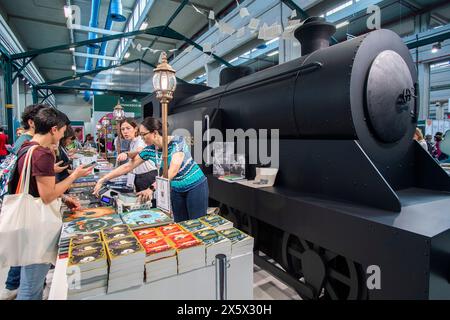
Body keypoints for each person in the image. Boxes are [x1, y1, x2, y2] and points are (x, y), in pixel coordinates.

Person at [9, 107, 93, 300]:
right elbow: (47, 196)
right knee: (31, 286)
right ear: (54, 129)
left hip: (27, 221)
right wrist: (74, 175)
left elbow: (37, 187)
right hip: (37, 225)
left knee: (30, 279)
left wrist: (63, 197)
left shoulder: (26, 148)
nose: (64, 135)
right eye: (63, 131)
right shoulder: (42, 154)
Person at [94, 117, 208, 222]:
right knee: (180, 223)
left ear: (155, 133)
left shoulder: (177, 143)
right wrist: (103, 179)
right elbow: (128, 166)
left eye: (144, 135)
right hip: (176, 189)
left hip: (195, 186)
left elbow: (172, 172)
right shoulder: (150, 150)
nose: (142, 138)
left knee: (196, 223)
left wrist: (151, 189)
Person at [95, 119, 157, 193]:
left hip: (148, 176)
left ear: (136, 129)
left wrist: (126, 154)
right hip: (138, 176)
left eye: (128, 128)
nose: (125, 131)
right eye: (122, 129)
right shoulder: (131, 142)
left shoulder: (140, 140)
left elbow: (139, 151)